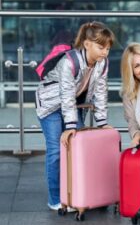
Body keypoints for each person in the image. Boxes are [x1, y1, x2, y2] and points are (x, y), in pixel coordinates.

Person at [35, 21, 115, 211]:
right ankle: (56, 198)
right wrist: (71, 126)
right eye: (101, 47)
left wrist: (102, 122)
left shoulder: (102, 64)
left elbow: (101, 92)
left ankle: (77, 193)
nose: (105, 52)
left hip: (72, 105)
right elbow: (66, 94)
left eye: (108, 48)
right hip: (50, 105)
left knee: (78, 150)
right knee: (56, 150)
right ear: (87, 44)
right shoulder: (69, 62)